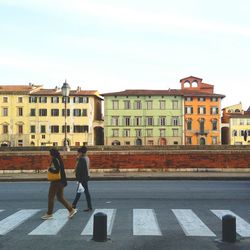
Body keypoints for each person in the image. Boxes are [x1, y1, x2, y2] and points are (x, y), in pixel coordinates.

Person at [41, 148, 77, 220]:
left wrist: (49, 169)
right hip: (61, 180)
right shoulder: (59, 159)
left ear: (52, 154)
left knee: (51, 196)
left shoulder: (55, 159)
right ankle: (71, 210)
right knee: (60, 197)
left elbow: (57, 170)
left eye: (50, 154)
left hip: (56, 181)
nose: (49, 155)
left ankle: (49, 213)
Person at [72, 146, 92, 211]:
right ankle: (74, 205)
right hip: (85, 176)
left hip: (83, 177)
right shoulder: (87, 158)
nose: (77, 154)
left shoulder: (83, 159)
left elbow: (81, 169)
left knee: (83, 191)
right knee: (81, 191)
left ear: (81, 153)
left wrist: (79, 178)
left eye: (78, 153)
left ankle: (73, 205)